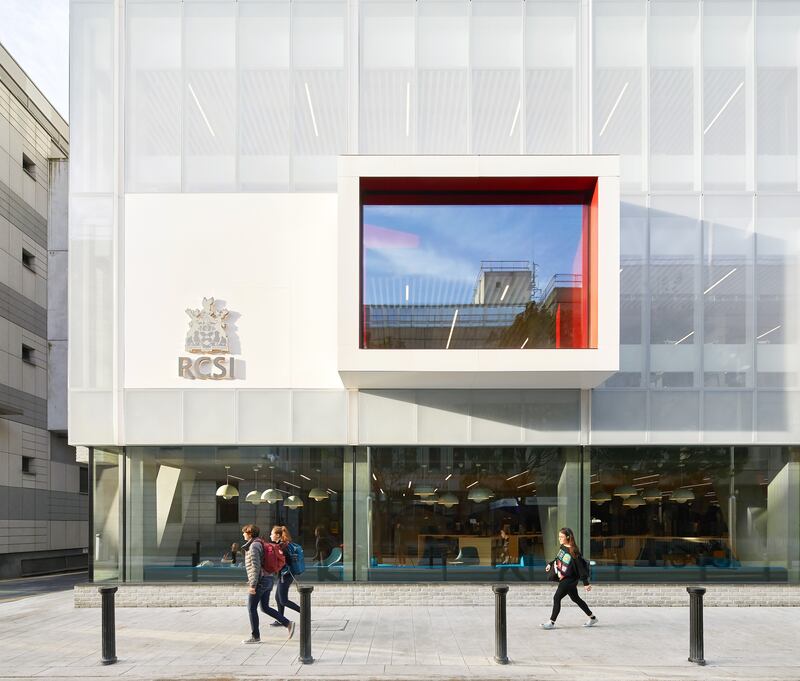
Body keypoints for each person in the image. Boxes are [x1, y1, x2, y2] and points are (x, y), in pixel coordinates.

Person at [240, 524, 295, 644]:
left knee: (251, 608)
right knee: (264, 607)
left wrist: (253, 585)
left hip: (261, 581)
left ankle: (255, 636)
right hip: (268, 579)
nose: (243, 534)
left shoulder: (254, 546)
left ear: (249, 533)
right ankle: (288, 623)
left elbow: (255, 566)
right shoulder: (260, 543)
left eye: (244, 532)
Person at [541, 527, 597, 629]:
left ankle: (551, 622)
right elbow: (558, 559)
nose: (559, 539)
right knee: (576, 599)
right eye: (559, 537)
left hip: (570, 579)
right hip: (564, 577)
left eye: (561, 537)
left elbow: (580, 567)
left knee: (556, 597)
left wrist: (586, 583)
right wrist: (550, 563)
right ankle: (592, 618)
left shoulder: (573, 550)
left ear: (567, 537)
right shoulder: (562, 547)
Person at [269, 525, 301, 627]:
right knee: (278, 598)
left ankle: (304, 611)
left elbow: (287, 560)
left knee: (283, 600)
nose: (270, 536)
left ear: (278, 535)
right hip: (284, 575)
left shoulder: (282, 546)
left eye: (272, 534)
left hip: (286, 575)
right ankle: (281, 619)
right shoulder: (282, 545)